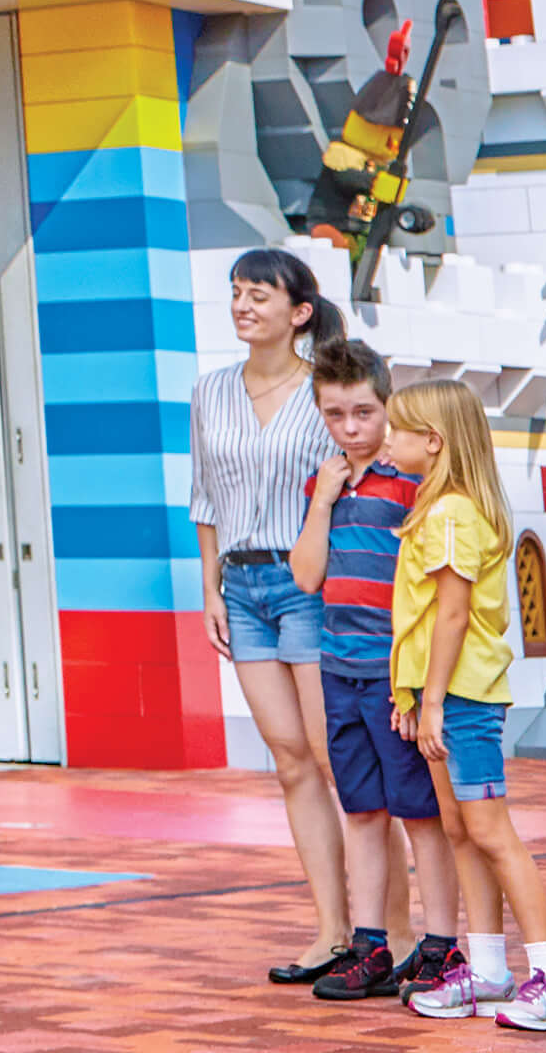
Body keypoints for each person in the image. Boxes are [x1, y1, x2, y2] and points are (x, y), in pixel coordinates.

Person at [380, 383, 546, 1031]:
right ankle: (490, 970)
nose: (388, 440)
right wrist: (409, 696)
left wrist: (432, 698)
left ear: (433, 442)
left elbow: (452, 614)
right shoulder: (437, 509)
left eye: (399, 430)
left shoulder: (452, 513)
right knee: (461, 830)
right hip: (441, 696)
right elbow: (419, 618)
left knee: (492, 833)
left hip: (463, 696)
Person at [188, 244, 353, 986]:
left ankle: (395, 926)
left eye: (259, 294)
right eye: (236, 293)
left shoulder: (329, 391)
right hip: (244, 589)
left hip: (309, 586)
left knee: (335, 758)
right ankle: (331, 931)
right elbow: (204, 497)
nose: (243, 305)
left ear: (299, 312)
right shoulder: (210, 391)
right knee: (289, 761)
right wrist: (210, 588)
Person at [286, 341, 457, 1005]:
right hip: (338, 669)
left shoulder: (412, 482)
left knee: (420, 813)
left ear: (387, 408)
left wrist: (418, 683)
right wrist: (322, 501)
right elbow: (306, 576)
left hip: (394, 673)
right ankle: (371, 943)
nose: (350, 428)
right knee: (361, 809)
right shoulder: (323, 481)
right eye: (334, 414)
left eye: (362, 412)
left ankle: (440, 944)